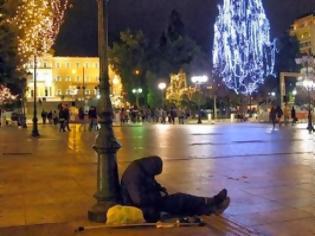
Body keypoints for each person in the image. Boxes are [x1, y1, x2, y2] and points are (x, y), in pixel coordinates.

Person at [121, 156, 230, 223]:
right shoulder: (134, 176)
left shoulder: (143, 169)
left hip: (151, 204)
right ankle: (213, 202)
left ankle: (212, 207)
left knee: (182, 204)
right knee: (181, 200)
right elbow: (138, 200)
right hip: (146, 210)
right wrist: (159, 196)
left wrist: (161, 189)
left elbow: (153, 184)